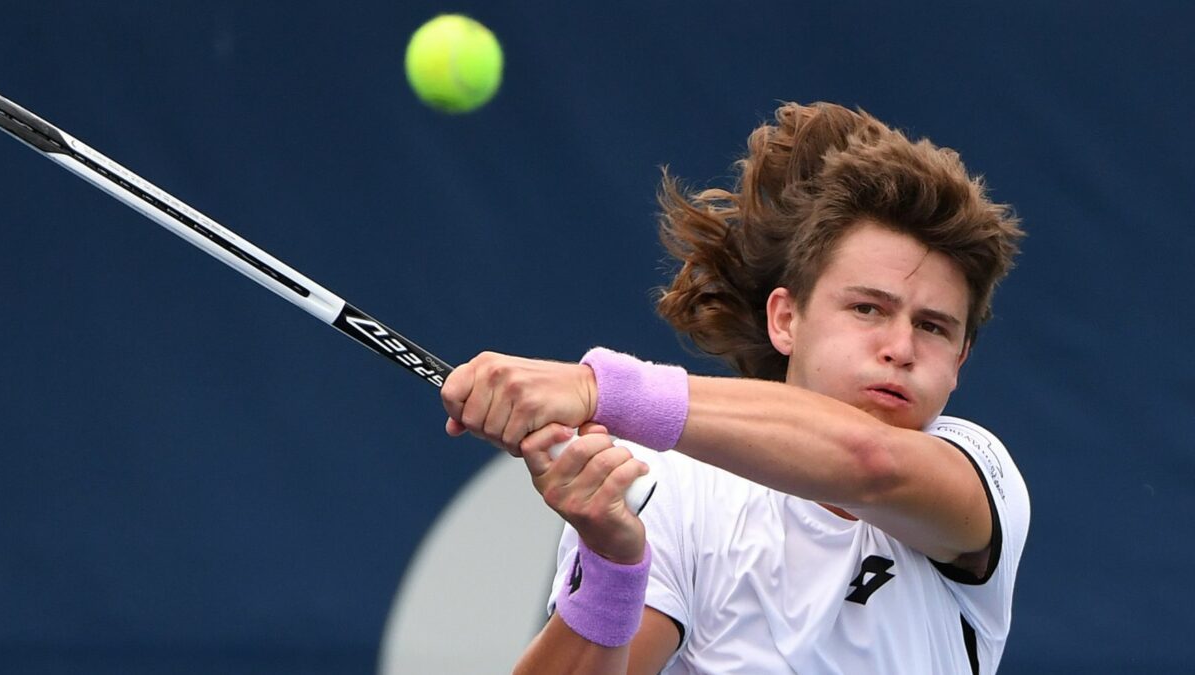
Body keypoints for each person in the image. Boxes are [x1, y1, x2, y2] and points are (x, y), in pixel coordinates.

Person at [440, 102, 1028, 674]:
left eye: (932, 327)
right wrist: (612, 568)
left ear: (959, 359)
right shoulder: (673, 489)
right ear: (786, 319)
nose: (900, 348)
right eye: (868, 308)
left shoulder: (978, 474)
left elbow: (868, 461)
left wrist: (601, 390)